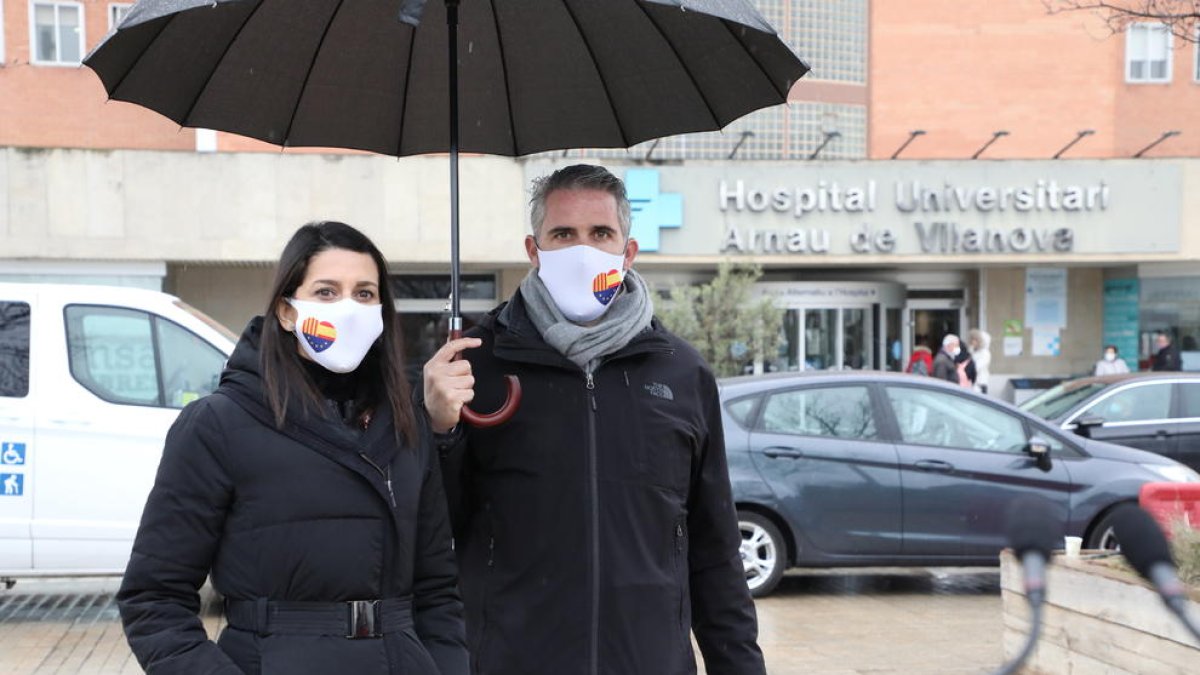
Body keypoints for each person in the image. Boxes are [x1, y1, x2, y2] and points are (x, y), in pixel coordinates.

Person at [423, 165, 766, 675]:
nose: (582, 250)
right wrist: (438, 430)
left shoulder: (682, 372)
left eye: (601, 233)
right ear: (534, 250)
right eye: (563, 234)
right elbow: (432, 530)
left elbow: (714, 550)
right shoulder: (472, 368)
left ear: (628, 252)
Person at [118, 222, 468, 675]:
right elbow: (153, 599)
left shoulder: (406, 424)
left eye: (364, 293)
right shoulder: (219, 424)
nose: (348, 308)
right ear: (286, 311)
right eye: (326, 292)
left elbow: (438, 590)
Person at [967, 329, 992, 395]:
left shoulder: (985, 353)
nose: (972, 342)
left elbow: (976, 367)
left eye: (975, 340)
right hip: (971, 383)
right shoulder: (972, 351)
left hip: (980, 383)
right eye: (972, 339)